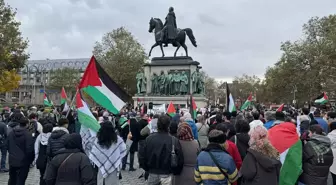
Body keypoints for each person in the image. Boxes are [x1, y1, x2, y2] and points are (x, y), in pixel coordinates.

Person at [140, 115, 184, 185]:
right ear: (168, 125)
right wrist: (175, 171)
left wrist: (147, 168)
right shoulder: (174, 140)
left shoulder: (149, 139)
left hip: (153, 172)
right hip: (167, 174)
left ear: (157, 125)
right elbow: (180, 159)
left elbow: (142, 156)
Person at [89, 121, 126, 185]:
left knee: (101, 182)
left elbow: (94, 153)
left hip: (101, 168)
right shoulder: (117, 139)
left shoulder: (98, 140)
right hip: (114, 169)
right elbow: (124, 150)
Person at [7, 117, 34, 185]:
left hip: (12, 159)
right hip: (23, 161)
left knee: (12, 179)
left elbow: (7, 144)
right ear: (27, 124)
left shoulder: (11, 132)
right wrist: (30, 161)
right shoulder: (27, 134)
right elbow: (30, 150)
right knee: (21, 180)